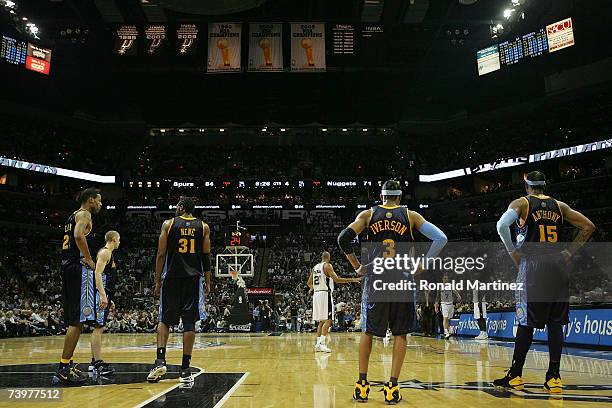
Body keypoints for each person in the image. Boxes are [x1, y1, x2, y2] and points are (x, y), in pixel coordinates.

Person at [337, 180, 448, 404]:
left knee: (368, 332)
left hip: (377, 279)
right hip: (403, 280)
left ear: (382, 196)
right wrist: (424, 264)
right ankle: (392, 386)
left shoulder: (368, 215)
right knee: (400, 333)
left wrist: (357, 266)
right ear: (399, 197)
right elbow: (441, 238)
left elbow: (343, 239)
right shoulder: (411, 216)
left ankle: (362, 384)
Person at [494, 171, 595, 393]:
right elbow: (588, 226)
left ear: (527, 186)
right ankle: (554, 377)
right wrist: (570, 251)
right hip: (558, 265)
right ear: (544, 185)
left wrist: (512, 252)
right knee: (555, 323)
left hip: (534, 266)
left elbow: (502, 226)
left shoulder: (522, 203)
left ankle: (516, 374)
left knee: (525, 322)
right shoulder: (560, 206)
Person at [147, 197, 211, 384]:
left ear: (182, 207)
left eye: (177, 205)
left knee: (164, 320)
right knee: (189, 322)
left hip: (172, 277)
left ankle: (160, 360)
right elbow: (206, 257)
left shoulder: (168, 224)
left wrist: (157, 280)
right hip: (193, 278)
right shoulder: (203, 227)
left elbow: (160, 254)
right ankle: (185, 368)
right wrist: (207, 281)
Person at [54, 188, 102, 386]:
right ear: (90, 200)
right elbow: (78, 236)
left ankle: (68, 363)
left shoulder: (72, 215)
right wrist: (89, 259)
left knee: (74, 320)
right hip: (76, 267)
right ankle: (64, 368)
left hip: (67, 267)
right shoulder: (84, 214)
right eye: (99, 200)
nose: (101, 204)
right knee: (76, 321)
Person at [307, 251, 360, 353]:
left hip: (317, 294)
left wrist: (314, 288)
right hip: (325, 294)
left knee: (321, 321)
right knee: (329, 320)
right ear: (329, 257)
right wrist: (352, 279)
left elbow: (309, 283)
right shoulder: (327, 266)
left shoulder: (315, 267)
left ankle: (318, 344)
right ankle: (322, 344)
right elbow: (336, 279)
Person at [88, 230, 120, 376]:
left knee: (99, 327)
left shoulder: (109, 254)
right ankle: (97, 363)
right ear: (113, 239)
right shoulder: (105, 252)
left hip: (106, 293)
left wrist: (109, 298)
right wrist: (102, 295)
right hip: (101, 293)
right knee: (98, 327)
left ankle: (94, 361)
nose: (119, 242)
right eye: (118, 239)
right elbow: (97, 273)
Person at [436, 274, 461, 339]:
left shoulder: (450, 286)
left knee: (449, 319)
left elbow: (455, 292)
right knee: (445, 318)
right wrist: (436, 305)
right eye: (444, 278)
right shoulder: (440, 287)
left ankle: (447, 332)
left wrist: (458, 296)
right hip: (444, 304)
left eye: (446, 278)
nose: (445, 279)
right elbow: (437, 296)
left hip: (451, 304)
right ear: (442, 279)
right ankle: (446, 332)